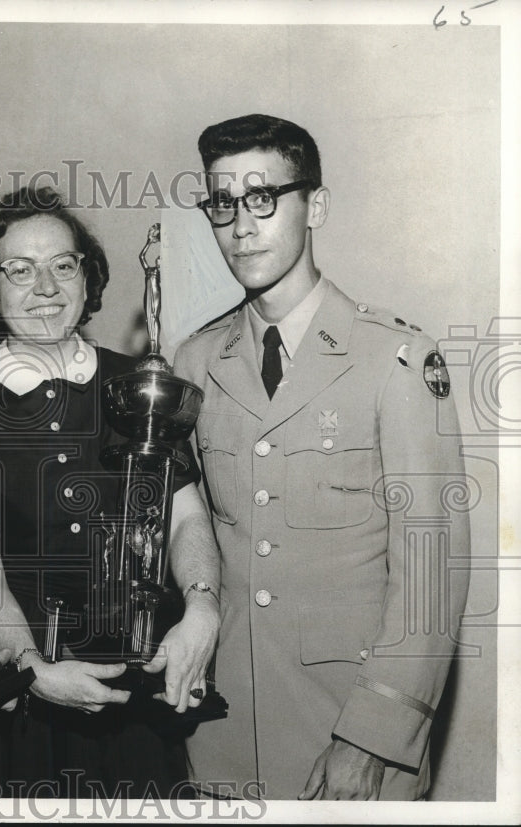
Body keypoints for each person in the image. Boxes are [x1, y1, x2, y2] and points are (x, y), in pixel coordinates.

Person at [173, 114, 470, 800]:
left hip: (347, 732)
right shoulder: (196, 359)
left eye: (262, 197)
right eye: (222, 202)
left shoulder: (396, 358)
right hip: (221, 736)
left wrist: (372, 737)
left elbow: (430, 568)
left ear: (316, 206)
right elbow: (193, 529)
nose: (241, 226)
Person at [0, 186, 221, 798]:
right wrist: (33, 672)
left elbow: (187, 518)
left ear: (88, 281)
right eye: (19, 270)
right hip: (28, 708)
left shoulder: (139, 384)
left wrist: (203, 606)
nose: (46, 288)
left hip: (146, 699)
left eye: (64, 266)